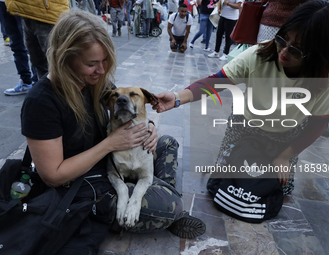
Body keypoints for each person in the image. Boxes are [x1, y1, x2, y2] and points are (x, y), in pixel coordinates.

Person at [21, 9, 205, 254]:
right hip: (84, 183)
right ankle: (162, 200)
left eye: (104, 61)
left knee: (168, 142)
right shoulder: (42, 101)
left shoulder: (96, 82)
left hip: (112, 156)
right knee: (170, 206)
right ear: (65, 57)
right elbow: (53, 176)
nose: (101, 70)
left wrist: (148, 127)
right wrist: (110, 144)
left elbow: (129, 108)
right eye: (91, 63)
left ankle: (155, 188)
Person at [152, 0, 329, 196]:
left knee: (279, 191)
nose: (283, 51)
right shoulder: (259, 55)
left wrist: (285, 156)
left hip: (288, 134)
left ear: (318, 54)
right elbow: (216, 82)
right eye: (282, 40)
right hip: (245, 123)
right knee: (222, 183)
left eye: (296, 50)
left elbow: (316, 126)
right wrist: (177, 98)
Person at [4, 0, 69, 80]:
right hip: (27, 12)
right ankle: (45, 89)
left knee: (58, 64)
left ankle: (65, 91)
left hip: (47, 14)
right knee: (39, 64)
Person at [0, 1, 36, 95]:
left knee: (30, 44)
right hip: (4, 3)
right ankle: (25, 81)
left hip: (21, 3)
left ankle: (37, 82)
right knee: (15, 43)